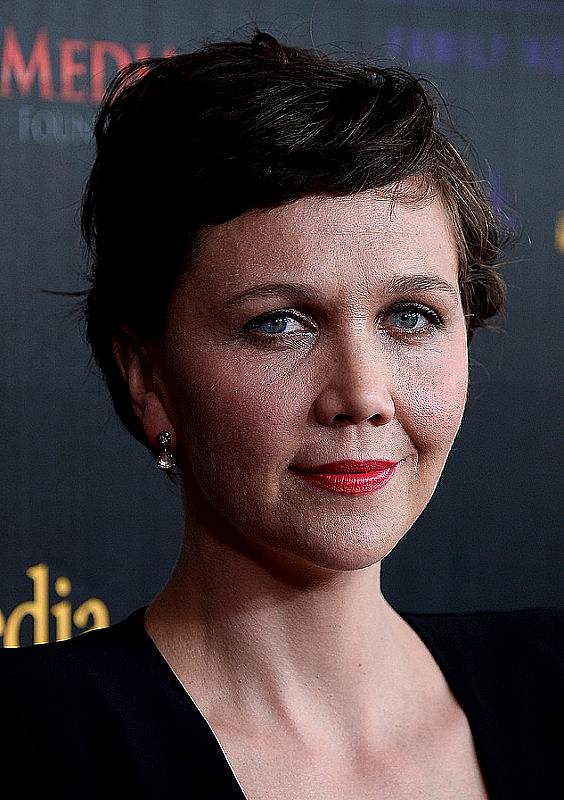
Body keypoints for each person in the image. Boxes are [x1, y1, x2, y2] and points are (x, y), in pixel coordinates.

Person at [1, 28, 562, 800]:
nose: (363, 395)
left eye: (410, 315)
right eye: (279, 324)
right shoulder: (34, 741)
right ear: (148, 378)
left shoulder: (550, 685)